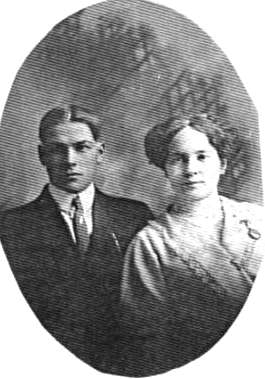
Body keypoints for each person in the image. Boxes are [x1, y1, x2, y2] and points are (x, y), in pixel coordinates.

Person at [0, 105, 153, 374]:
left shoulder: (134, 216)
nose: (70, 159)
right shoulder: (11, 226)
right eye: (57, 149)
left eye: (81, 147)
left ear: (100, 153)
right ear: (41, 155)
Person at [120, 113, 263, 376]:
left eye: (202, 156)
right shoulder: (151, 243)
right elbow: (145, 333)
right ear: (165, 169)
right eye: (178, 159)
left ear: (222, 164)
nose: (191, 169)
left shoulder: (258, 217)